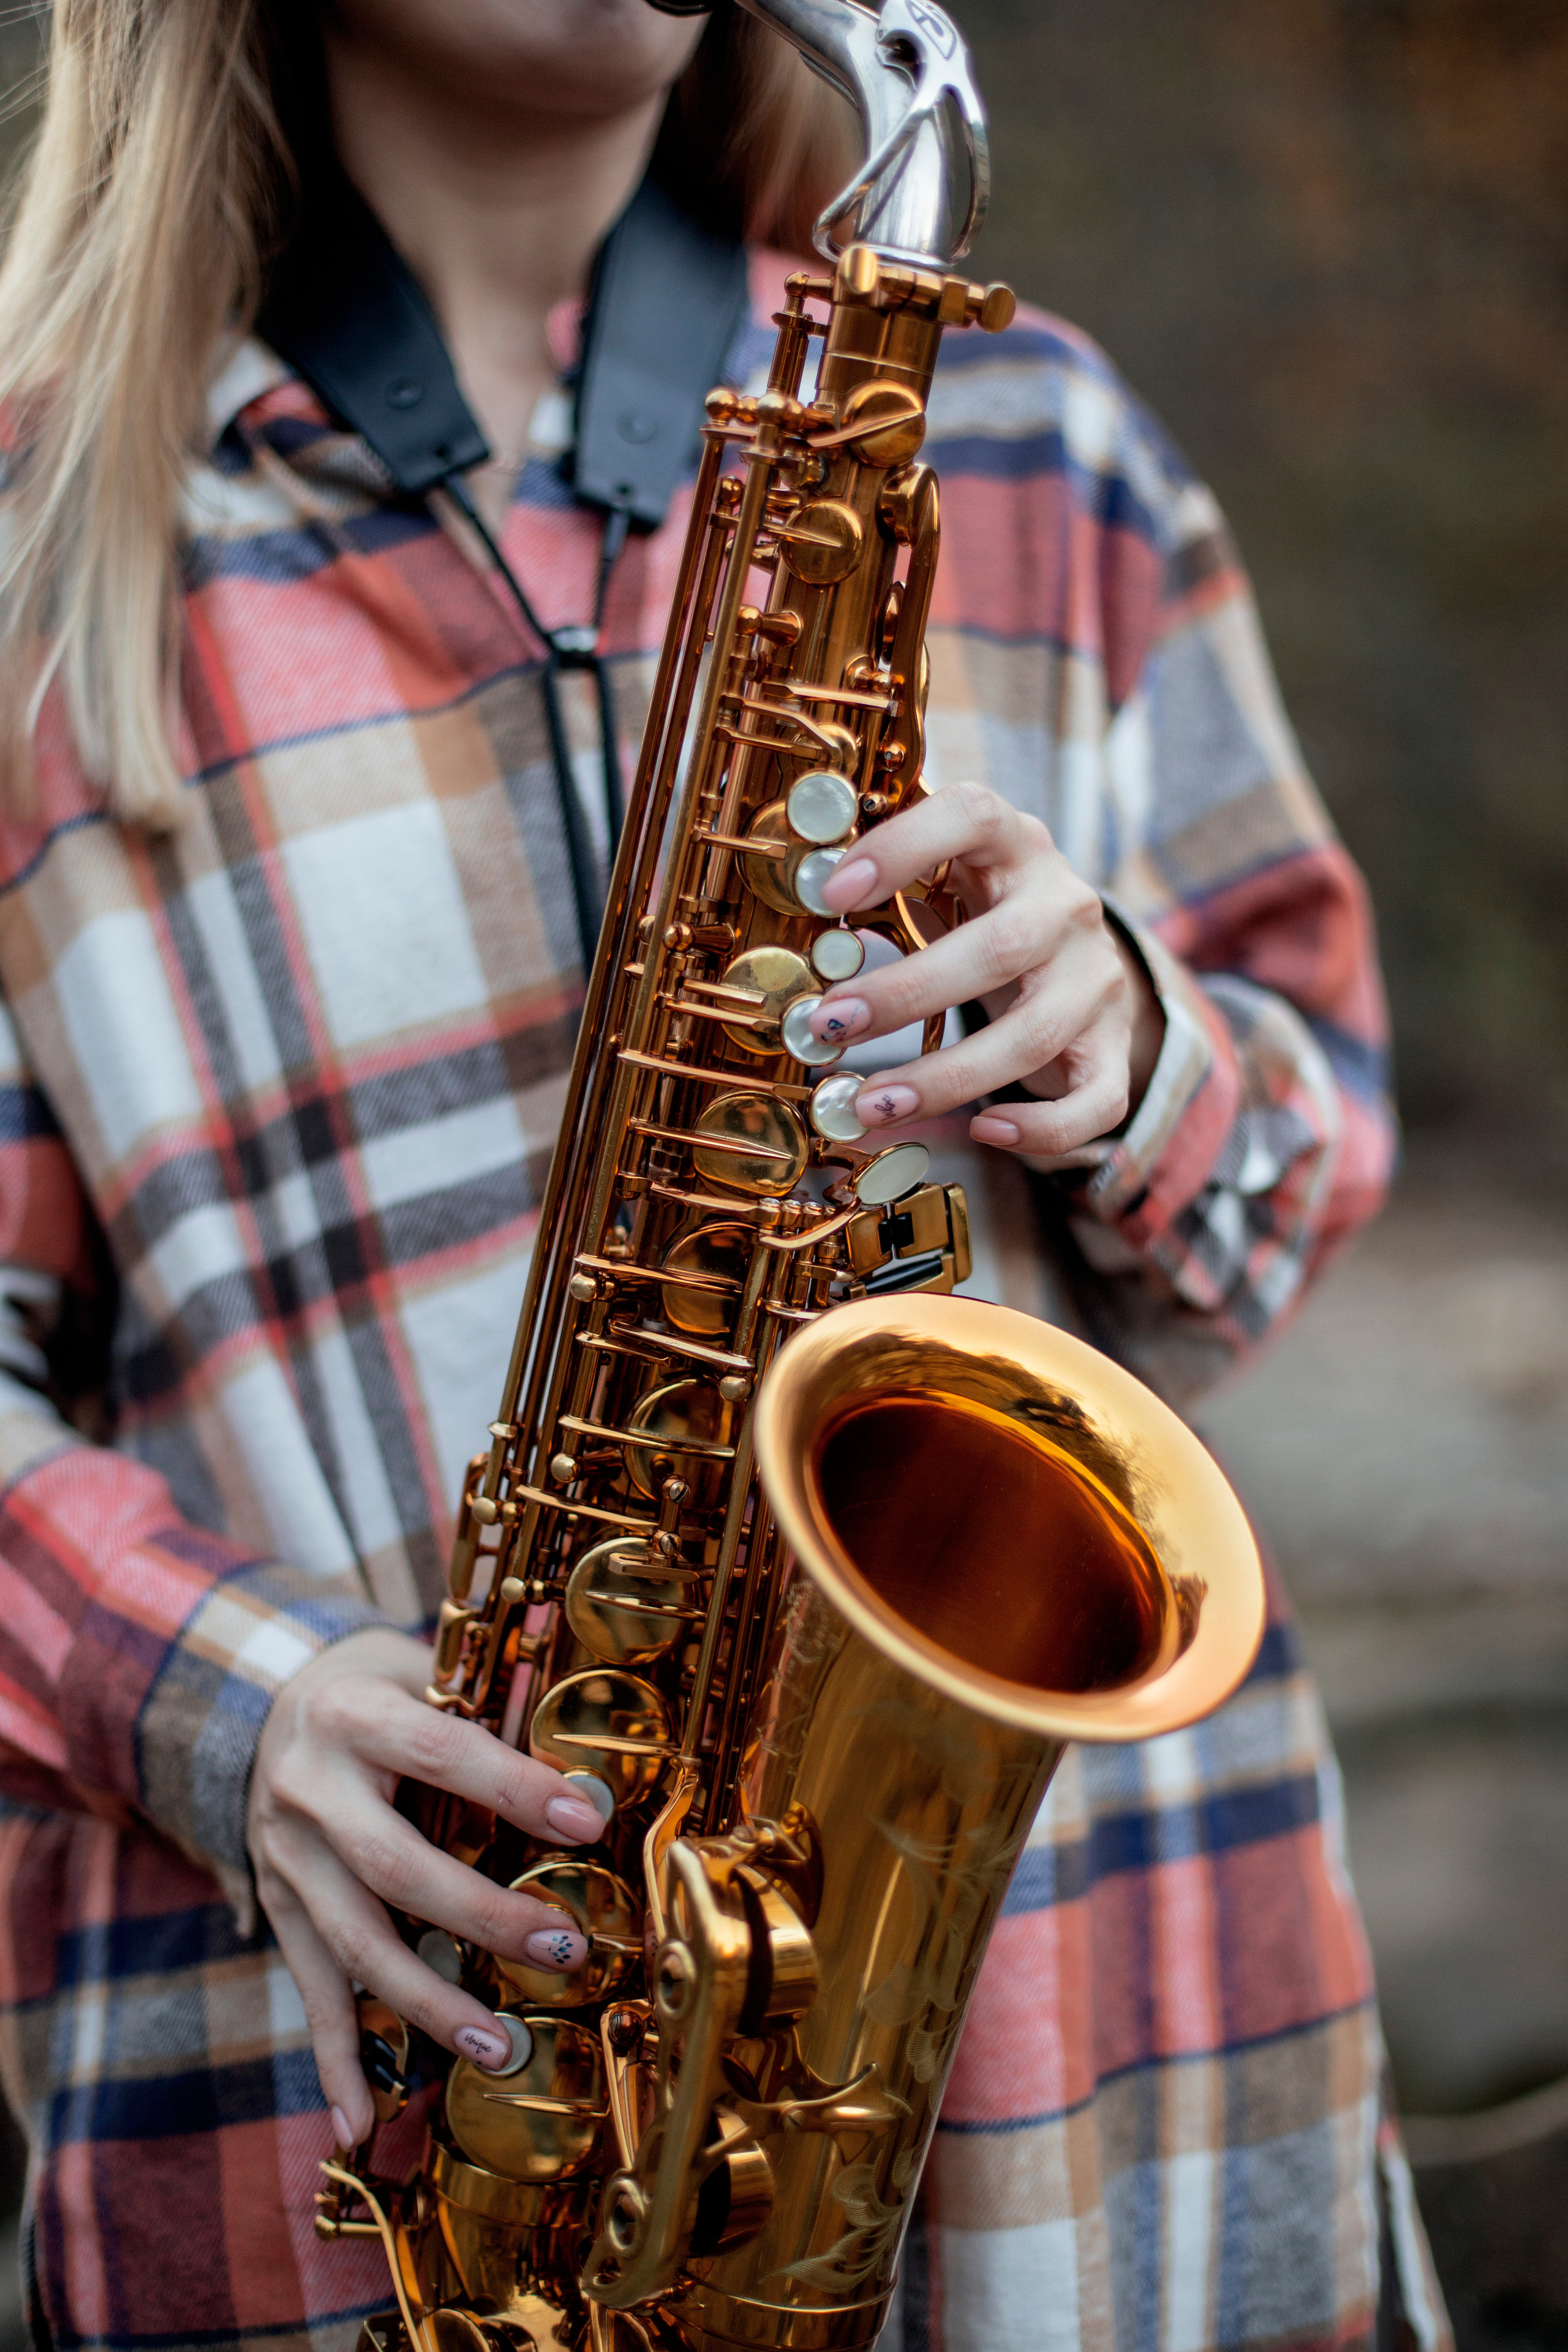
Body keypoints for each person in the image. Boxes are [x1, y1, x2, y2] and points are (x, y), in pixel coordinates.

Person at [0, 4, 1449, 2351]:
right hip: (394, 2121)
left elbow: (1297, 1190)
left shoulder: (1036, 441)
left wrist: (1139, 1045)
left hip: (1111, 2110)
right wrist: (223, 1701)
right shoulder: (33, 542)